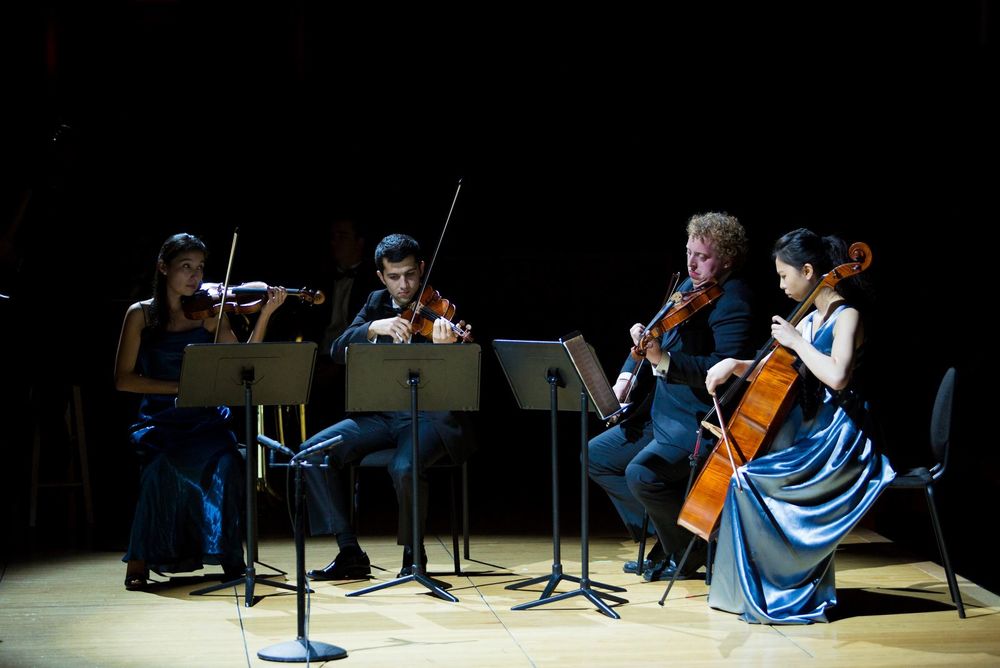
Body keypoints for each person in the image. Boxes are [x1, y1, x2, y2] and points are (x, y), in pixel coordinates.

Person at [703, 228, 894, 624]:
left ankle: (788, 593)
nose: (780, 284)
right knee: (742, 478)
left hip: (841, 440)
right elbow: (782, 368)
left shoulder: (847, 316)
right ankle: (757, 591)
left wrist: (796, 340)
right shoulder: (809, 319)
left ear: (808, 271)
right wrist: (735, 366)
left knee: (748, 482)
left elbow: (837, 376)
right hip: (813, 434)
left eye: (784, 275)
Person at [114, 232, 287, 591]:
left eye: (201, 268)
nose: (195, 277)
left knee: (226, 463)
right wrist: (182, 387)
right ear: (163, 268)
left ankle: (227, 557)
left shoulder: (211, 315)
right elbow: (124, 380)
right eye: (186, 267)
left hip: (205, 420)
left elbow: (244, 365)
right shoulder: (140, 315)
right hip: (161, 421)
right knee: (161, 469)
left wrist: (265, 315)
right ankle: (140, 558)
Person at [588, 212, 755, 582]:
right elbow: (648, 338)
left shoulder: (733, 302)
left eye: (703, 256)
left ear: (727, 259)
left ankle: (682, 545)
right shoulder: (689, 292)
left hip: (694, 420)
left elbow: (721, 370)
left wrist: (663, 359)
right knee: (596, 455)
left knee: (642, 474)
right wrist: (626, 376)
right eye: (688, 252)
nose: (692, 263)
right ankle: (677, 539)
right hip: (658, 415)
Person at [301, 233, 473, 580]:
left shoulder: (440, 309)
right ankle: (350, 552)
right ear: (381, 276)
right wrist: (371, 328)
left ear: (422, 269)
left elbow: (465, 381)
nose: (404, 285)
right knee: (312, 452)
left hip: (429, 419)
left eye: (410, 274)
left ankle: (414, 556)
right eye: (394, 277)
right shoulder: (375, 302)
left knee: (403, 465)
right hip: (381, 415)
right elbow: (336, 350)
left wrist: (450, 349)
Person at [301, 218, 382, 433]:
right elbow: (310, 327)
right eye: (333, 237)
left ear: (359, 242)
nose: (334, 242)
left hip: (353, 365)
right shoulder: (321, 278)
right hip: (320, 360)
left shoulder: (373, 284)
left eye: (342, 236)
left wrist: (337, 367)